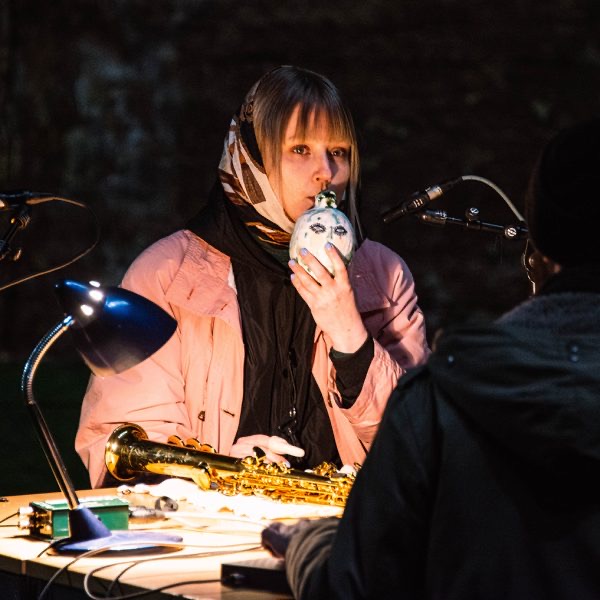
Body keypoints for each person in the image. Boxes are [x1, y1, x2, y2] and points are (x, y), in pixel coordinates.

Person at [262, 118, 600, 599]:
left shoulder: (444, 399)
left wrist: (310, 545)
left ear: (539, 251)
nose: (325, 171)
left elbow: (354, 587)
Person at [75, 65, 430, 488]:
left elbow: (420, 444)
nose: (325, 172)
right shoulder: (166, 273)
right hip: (211, 519)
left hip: (344, 521)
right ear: (252, 157)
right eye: (300, 149)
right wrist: (221, 468)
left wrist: (350, 336)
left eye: (338, 152)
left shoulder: (383, 274)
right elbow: (124, 441)